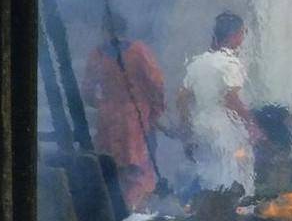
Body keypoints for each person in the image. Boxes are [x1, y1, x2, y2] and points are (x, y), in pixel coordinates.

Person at [81, 12, 165, 209]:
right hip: (136, 120)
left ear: (104, 31)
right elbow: (157, 83)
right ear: (125, 30)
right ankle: (134, 215)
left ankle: (117, 213)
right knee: (137, 171)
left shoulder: (98, 54)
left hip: (108, 121)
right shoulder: (139, 51)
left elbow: (87, 90)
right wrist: (155, 111)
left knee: (112, 170)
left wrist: (102, 105)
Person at [179, 12, 261, 196]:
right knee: (231, 174)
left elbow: (182, 98)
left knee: (208, 173)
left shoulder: (197, 63)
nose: (242, 38)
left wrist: (186, 128)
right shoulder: (230, 63)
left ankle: (210, 215)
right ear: (235, 35)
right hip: (224, 128)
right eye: (242, 33)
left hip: (201, 126)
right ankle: (233, 216)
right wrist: (251, 124)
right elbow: (231, 98)